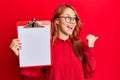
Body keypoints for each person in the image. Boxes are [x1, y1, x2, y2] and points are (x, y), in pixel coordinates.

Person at [10, 4, 98, 80]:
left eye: (74, 18)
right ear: (57, 21)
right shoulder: (45, 46)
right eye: (68, 18)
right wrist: (22, 56)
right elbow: (30, 76)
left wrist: (90, 47)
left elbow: (89, 73)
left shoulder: (79, 45)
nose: (72, 22)